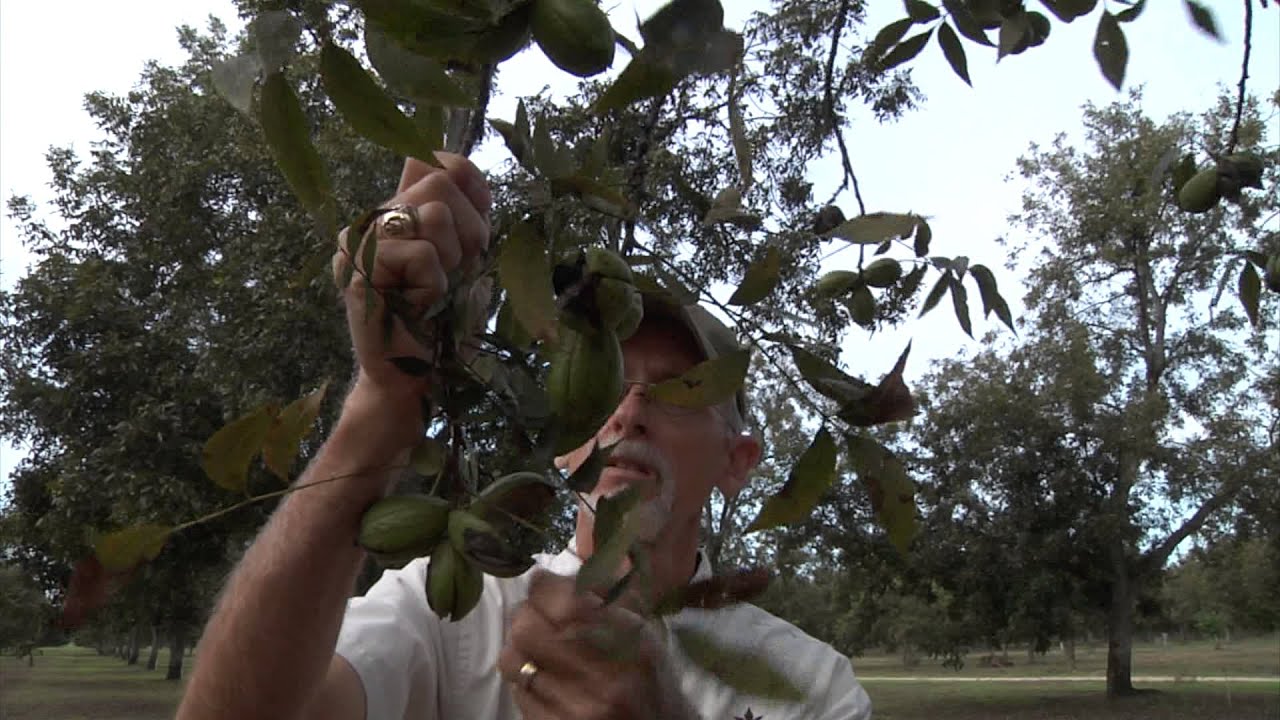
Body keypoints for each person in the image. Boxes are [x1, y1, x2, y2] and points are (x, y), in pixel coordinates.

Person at [176, 154, 873, 720]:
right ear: (564, 436)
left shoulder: (814, 687)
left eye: (675, 391)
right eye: (602, 381)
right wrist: (384, 407)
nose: (630, 413)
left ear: (738, 460)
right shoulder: (453, 609)